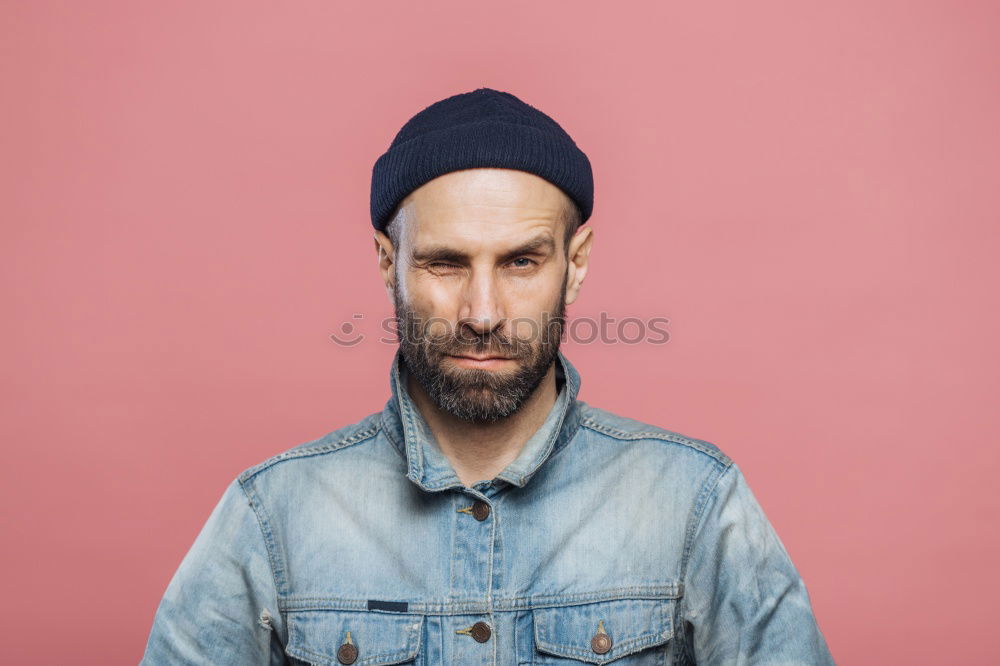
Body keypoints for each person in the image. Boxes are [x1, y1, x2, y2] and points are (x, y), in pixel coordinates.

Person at [141, 87, 835, 665]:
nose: (482, 313)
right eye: (445, 263)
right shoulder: (271, 517)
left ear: (578, 260)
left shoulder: (695, 504)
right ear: (389, 262)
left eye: (521, 262)